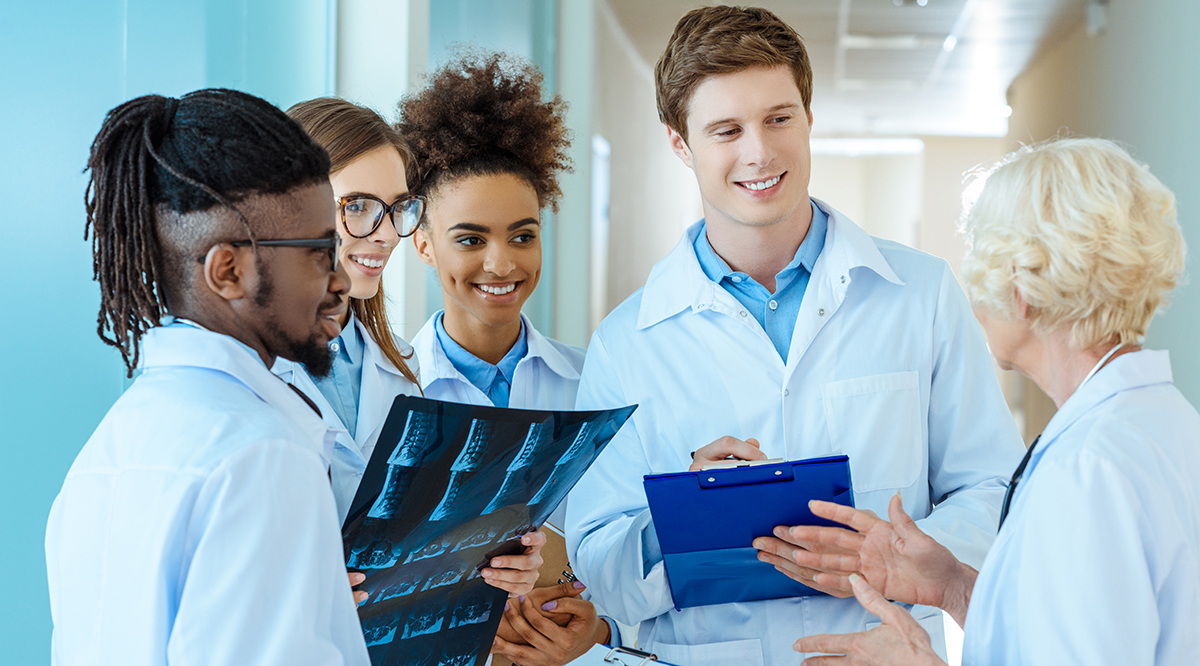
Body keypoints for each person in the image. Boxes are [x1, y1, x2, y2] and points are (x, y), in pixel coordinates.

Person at [564, 6, 1025, 664]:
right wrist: (683, 518)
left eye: (779, 118)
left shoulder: (919, 294)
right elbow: (599, 565)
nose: (759, 151)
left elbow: (991, 489)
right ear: (679, 143)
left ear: (809, 119)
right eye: (726, 130)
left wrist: (897, 551)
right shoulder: (626, 342)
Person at [773, 138, 1200, 666]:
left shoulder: (1088, 470)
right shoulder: (1163, 424)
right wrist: (953, 586)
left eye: (980, 261)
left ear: (1019, 287)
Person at [45, 89, 369, 665]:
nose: (340, 281)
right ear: (229, 270)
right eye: (320, 252)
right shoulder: (263, 455)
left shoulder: (109, 448)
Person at [276, 97, 546, 601]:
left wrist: (496, 563)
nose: (384, 235)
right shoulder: (247, 368)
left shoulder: (399, 367)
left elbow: (404, 543)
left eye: (397, 209)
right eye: (356, 206)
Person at [397, 52, 615, 666]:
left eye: (523, 235)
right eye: (470, 239)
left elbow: (623, 564)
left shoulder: (591, 386)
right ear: (422, 243)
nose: (502, 264)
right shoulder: (390, 393)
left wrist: (596, 630)